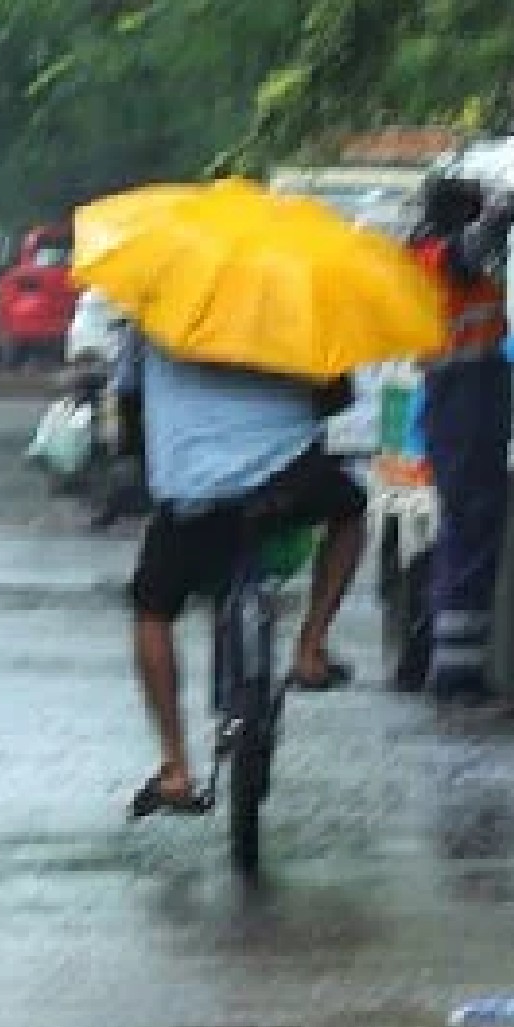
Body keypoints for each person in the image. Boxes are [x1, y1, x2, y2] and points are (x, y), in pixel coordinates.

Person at [114, 334, 369, 816]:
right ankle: (311, 647)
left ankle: (175, 769)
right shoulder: (295, 306)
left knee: (152, 610)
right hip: (288, 481)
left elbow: (129, 405)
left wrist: (156, 467)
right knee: (350, 514)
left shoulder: (156, 314)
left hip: (192, 492)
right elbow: (336, 399)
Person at [410, 179, 514, 703]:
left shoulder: (437, 256)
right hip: (463, 404)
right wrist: (502, 208)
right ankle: (455, 672)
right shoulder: (435, 256)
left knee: (472, 532)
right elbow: (473, 247)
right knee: (468, 532)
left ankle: (457, 665)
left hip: (470, 403)